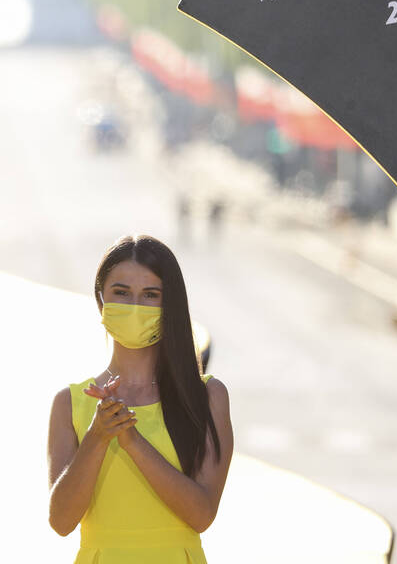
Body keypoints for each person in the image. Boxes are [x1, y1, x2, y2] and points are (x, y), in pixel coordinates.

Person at [47, 234, 233, 563]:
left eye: (150, 295)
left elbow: (202, 514)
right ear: (101, 299)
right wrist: (97, 436)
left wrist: (131, 440)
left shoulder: (207, 396)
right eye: (121, 293)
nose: (134, 306)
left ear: (169, 305)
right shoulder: (69, 402)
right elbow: (61, 521)